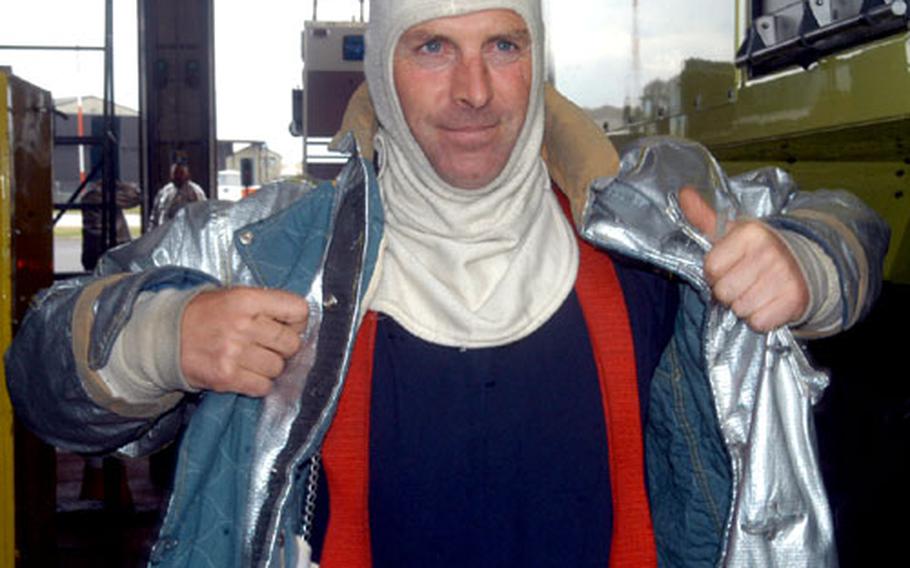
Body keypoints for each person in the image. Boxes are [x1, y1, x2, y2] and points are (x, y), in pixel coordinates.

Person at [5, 1, 889, 567]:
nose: (474, 91)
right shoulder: (271, 250)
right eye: (433, 46)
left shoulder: (652, 227)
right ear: (383, 69)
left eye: (502, 44)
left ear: (535, 60)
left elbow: (849, 223)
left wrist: (809, 263)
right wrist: (165, 336)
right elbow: (40, 374)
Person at [80, 179, 141, 271]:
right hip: (111, 243)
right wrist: (120, 185)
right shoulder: (100, 195)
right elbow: (135, 199)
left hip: (94, 245)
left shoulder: (90, 195)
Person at [149, 161, 206, 229]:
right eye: (176, 173)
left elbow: (203, 215)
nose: (178, 176)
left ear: (187, 174)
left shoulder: (196, 192)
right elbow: (155, 215)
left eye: (181, 173)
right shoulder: (164, 192)